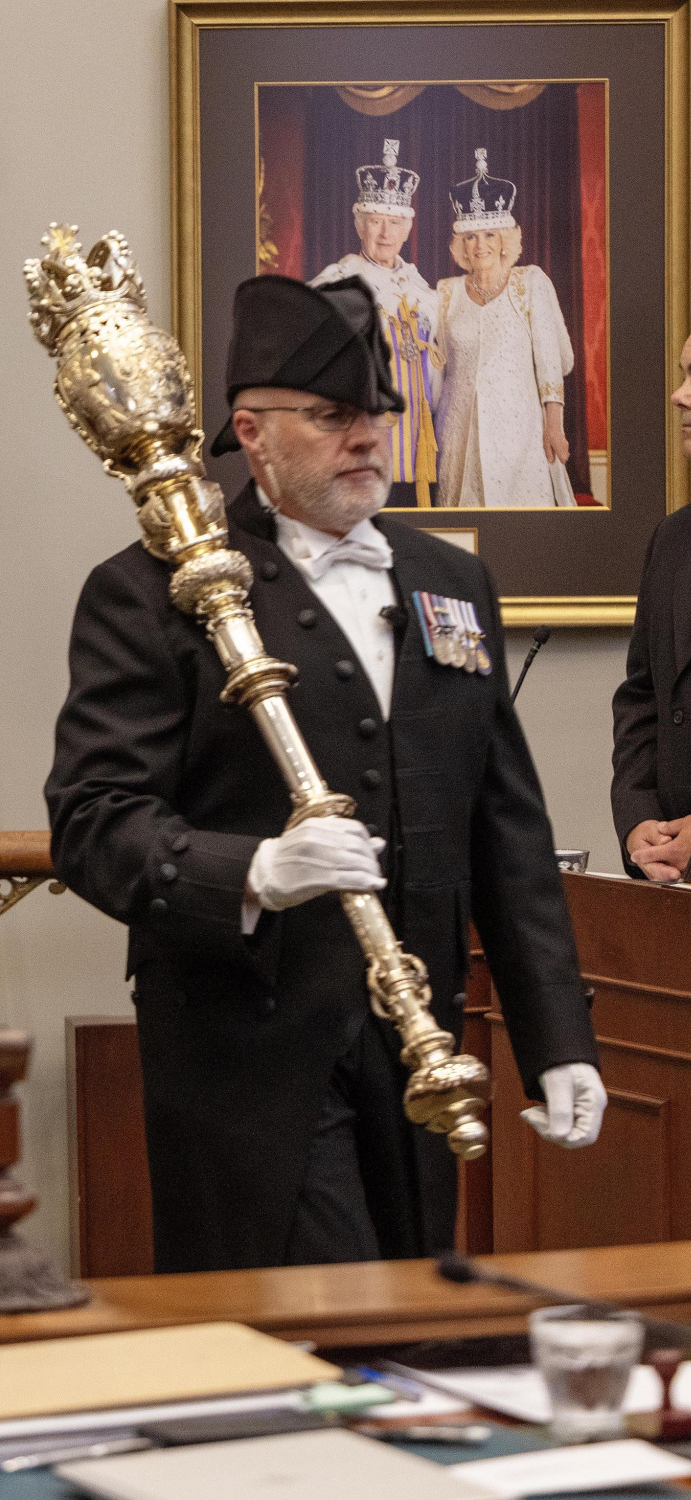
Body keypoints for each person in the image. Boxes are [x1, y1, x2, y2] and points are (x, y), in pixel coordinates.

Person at [45, 274, 604, 1274]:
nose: (366, 439)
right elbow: (91, 824)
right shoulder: (146, 592)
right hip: (243, 1054)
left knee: (410, 1330)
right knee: (304, 1339)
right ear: (249, 433)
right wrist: (255, 871)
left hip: (414, 1044)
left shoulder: (449, 581)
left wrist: (556, 1034)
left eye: (377, 416)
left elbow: (504, 834)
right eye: (333, 417)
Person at [434, 147, 577, 508]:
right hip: (458, 431)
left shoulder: (529, 283)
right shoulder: (445, 292)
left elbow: (550, 362)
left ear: (504, 240)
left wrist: (554, 425)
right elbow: (435, 365)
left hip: (521, 431)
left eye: (489, 235)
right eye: (470, 237)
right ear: (461, 244)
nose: (479, 245)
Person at [311, 138, 442, 507]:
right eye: (375, 222)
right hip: (365, 428)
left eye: (394, 222)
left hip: (419, 433)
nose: (385, 233)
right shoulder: (336, 283)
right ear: (359, 224)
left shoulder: (423, 290)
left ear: (407, 229)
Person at [610, 334, 691, 881]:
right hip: (670, 889)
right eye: (682, 374)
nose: (678, 396)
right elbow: (642, 697)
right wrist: (638, 817)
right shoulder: (671, 538)